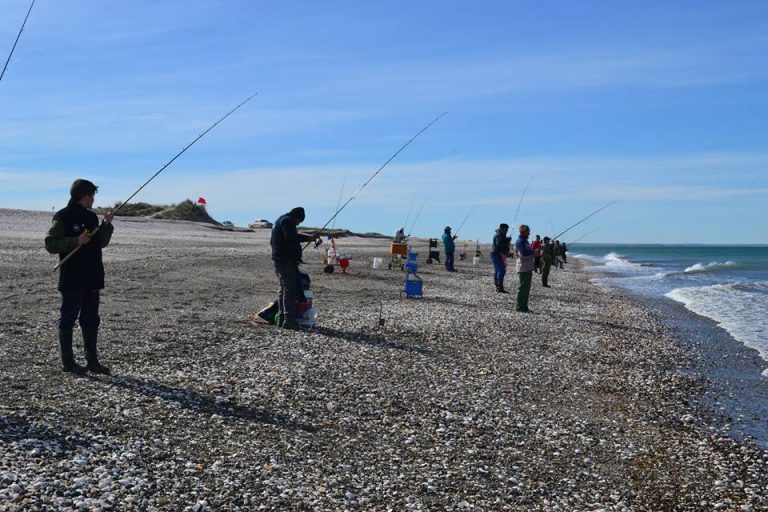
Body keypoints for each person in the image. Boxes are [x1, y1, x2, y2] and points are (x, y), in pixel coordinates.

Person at [45, 179, 114, 375]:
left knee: (91, 319)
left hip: (92, 276)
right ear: (85, 197)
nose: (93, 200)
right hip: (72, 277)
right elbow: (51, 244)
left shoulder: (91, 217)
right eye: (92, 196)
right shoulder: (62, 216)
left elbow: (101, 243)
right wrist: (75, 240)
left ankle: (92, 362)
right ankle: (68, 363)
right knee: (68, 318)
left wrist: (106, 225)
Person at [271, 207, 318, 329]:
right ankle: (289, 320)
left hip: (280, 259)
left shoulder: (281, 219)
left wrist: (308, 238)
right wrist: (307, 238)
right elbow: (291, 237)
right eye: (299, 222)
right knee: (289, 289)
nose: (298, 224)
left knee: (284, 288)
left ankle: (282, 318)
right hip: (285, 261)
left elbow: (291, 236)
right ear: (296, 217)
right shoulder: (287, 221)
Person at [514, 224, 535, 312]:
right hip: (523, 267)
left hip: (527, 267)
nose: (529, 232)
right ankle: (520, 307)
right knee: (522, 288)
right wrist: (534, 252)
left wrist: (535, 251)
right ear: (524, 231)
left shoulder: (525, 241)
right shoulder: (520, 242)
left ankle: (524, 306)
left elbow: (528, 252)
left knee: (526, 288)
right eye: (528, 230)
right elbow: (523, 255)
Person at [490, 223, 510, 293]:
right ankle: (499, 287)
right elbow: (499, 244)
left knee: (497, 269)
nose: (507, 231)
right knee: (502, 270)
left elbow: (499, 244)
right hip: (497, 254)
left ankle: (497, 285)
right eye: (506, 229)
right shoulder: (500, 235)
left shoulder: (498, 234)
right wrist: (507, 241)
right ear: (502, 228)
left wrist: (506, 240)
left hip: (494, 253)